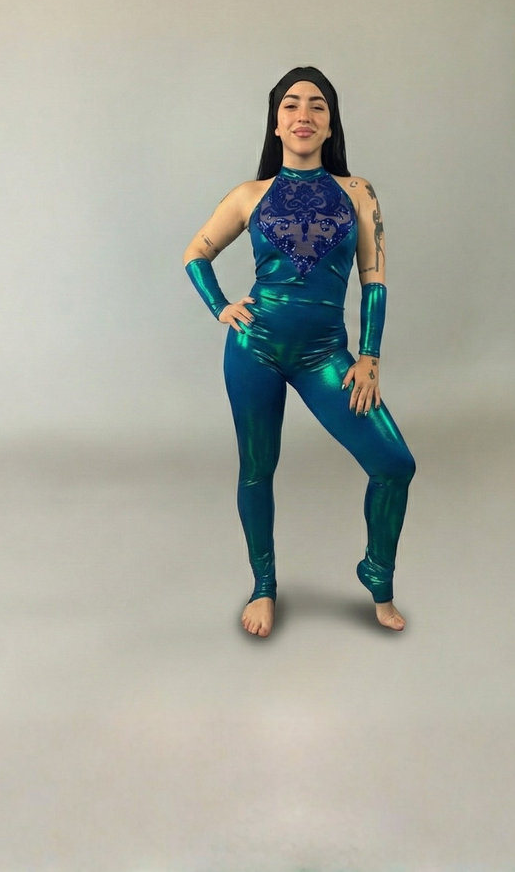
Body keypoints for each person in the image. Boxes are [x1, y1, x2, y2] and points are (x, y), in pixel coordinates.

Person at [183, 67, 416, 637]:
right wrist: (221, 307)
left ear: (331, 122)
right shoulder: (249, 196)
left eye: (317, 105)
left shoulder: (357, 192)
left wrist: (369, 356)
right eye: (291, 106)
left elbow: (375, 279)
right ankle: (264, 587)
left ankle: (376, 576)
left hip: (325, 354)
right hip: (254, 348)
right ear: (277, 122)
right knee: (258, 470)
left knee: (394, 465)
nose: (303, 115)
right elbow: (196, 254)